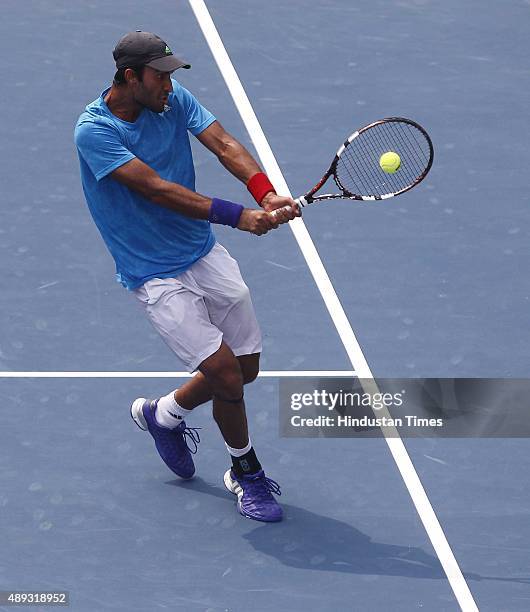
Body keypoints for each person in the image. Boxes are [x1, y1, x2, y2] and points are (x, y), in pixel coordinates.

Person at [74, 31, 299, 523]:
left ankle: (164, 415)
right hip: (153, 272)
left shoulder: (172, 100)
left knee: (245, 370)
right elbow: (155, 189)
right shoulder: (94, 131)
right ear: (130, 77)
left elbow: (222, 142)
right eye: (160, 75)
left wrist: (263, 192)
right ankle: (246, 472)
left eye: (171, 75)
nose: (169, 86)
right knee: (222, 374)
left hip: (200, 251)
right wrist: (236, 215)